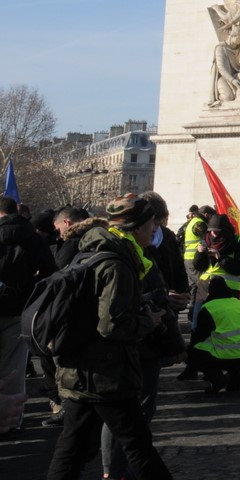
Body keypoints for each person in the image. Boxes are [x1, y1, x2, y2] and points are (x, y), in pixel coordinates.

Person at [46, 194, 173, 480]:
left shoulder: (90, 251)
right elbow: (112, 326)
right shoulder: (117, 264)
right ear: (136, 227)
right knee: (138, 446)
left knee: (71, 448)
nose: (154, 229)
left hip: (80, 367)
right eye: (151, 224)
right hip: (106, 373)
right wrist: (149, 321)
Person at [0, 195, 57, 432]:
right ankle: (13, 421)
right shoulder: (33, 238)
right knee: (14, 367)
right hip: (19, 309)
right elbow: (50, 274)